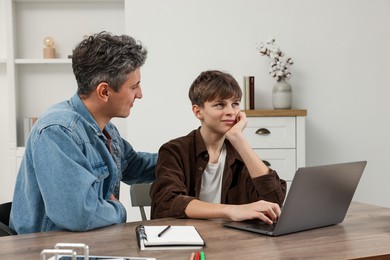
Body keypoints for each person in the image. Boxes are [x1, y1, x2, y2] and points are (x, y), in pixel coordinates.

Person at [10, 32, 157, 234]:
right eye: (134, 86)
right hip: (49, 251)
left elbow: (136, 166)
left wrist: (191, 150)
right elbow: (77, 215)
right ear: (104, 92)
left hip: (89, 245)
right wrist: (119, 210)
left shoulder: (106, 130)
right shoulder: (58, 131)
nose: (139, 94)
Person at [150, 70, 286, 224]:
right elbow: (168, 202)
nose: (231, 112)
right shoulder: (174, 150)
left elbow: (275, 201)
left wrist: (238, 139)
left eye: (235, 104)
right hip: (188, 241)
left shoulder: (239, 152)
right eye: (220, 105)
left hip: (233, 241)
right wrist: (230, 210)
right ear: (198, 111)